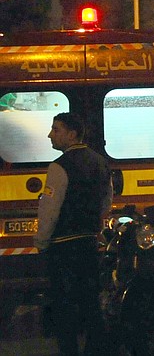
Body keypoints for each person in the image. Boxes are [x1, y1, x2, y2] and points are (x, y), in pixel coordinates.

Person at [33, 113, 112, 355]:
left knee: (64, 307)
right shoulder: (100, 162)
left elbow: (50, 209)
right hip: (89, 244)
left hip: (62, 247)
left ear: (72, 134)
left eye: (56, 130)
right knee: (91, 303)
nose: (50, 135)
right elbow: (106, 202)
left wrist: (41, 240)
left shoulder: (59, 167)